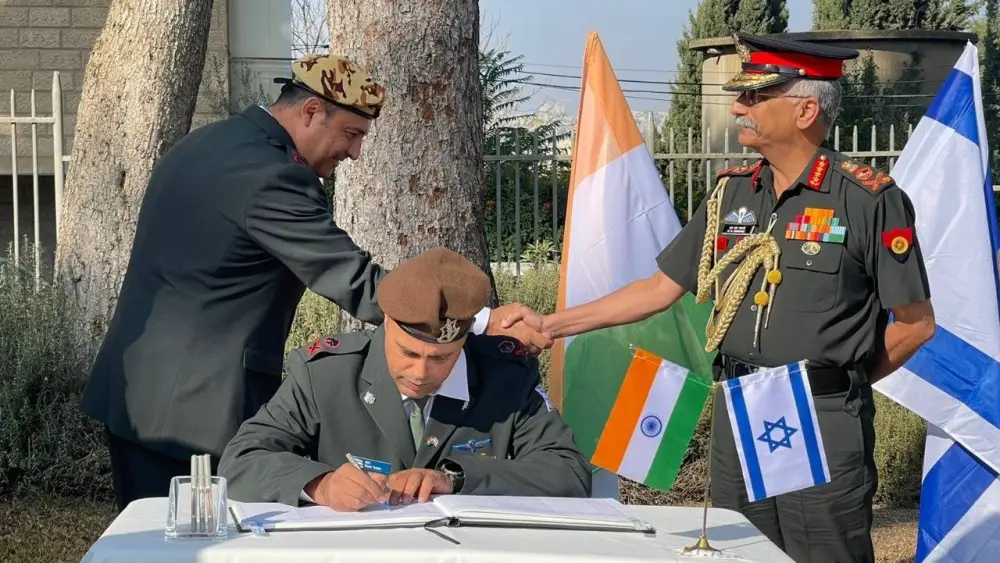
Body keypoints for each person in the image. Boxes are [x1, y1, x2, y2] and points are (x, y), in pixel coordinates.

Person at [502, 33, 936, 563]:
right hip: (740, 410)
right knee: (744, 551)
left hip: (819, 416)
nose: (738, 107)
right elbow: (658, 288)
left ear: (804, 110)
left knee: (823, 551)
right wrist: (550, 324)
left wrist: (834, 384)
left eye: (755, 97)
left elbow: (915, 324)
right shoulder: (733, 191)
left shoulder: (867, 200)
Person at [80, 53, 550, 512]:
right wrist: (475, 320)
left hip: (140, 393)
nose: (354, 152)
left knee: (152, 540)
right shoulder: (273, 177)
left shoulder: (209, 144)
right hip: (196, 411)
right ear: (309, 111)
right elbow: (352, 279)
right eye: (350, 133)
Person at [218, 247, 592, 509]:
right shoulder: (325, 375)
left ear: (465, 341)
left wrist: (458, 479)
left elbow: (569, 471)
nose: (420, 373)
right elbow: (241, 461)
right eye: (408, 352)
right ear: (386, 326)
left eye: (443, 358)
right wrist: (321, 484)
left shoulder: (504, 377)